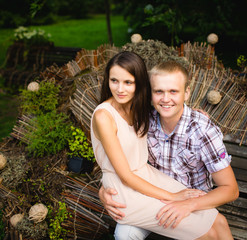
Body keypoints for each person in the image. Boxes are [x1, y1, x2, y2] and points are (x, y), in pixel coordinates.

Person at [91, 51, 226, 240]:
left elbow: (170, 102)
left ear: (139, 84)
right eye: (114, 81)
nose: (120, 89)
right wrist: (173, 197)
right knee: (208, 234)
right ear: (107, 81)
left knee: (219, 222)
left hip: (148, 179)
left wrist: (192, 113)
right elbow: (124, 175)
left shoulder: (138, 106)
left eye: (128, 82)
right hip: (125, 190)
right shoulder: (104, 116)